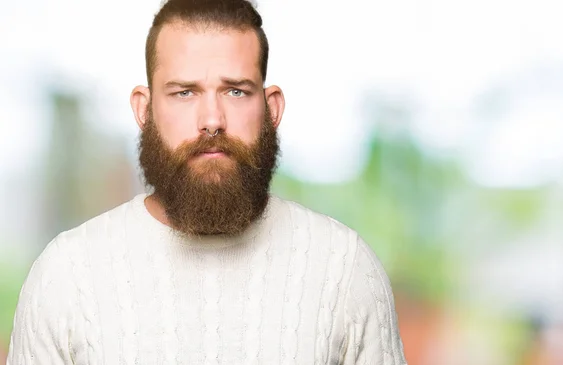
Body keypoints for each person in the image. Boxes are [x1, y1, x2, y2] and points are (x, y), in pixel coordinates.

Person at [8, 0, 408, 363]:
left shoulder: (344, 269)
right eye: (184, 93)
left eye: (235, 91)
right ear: (144, 111)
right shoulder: (66, 275)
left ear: (271, 109)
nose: (212, 120)